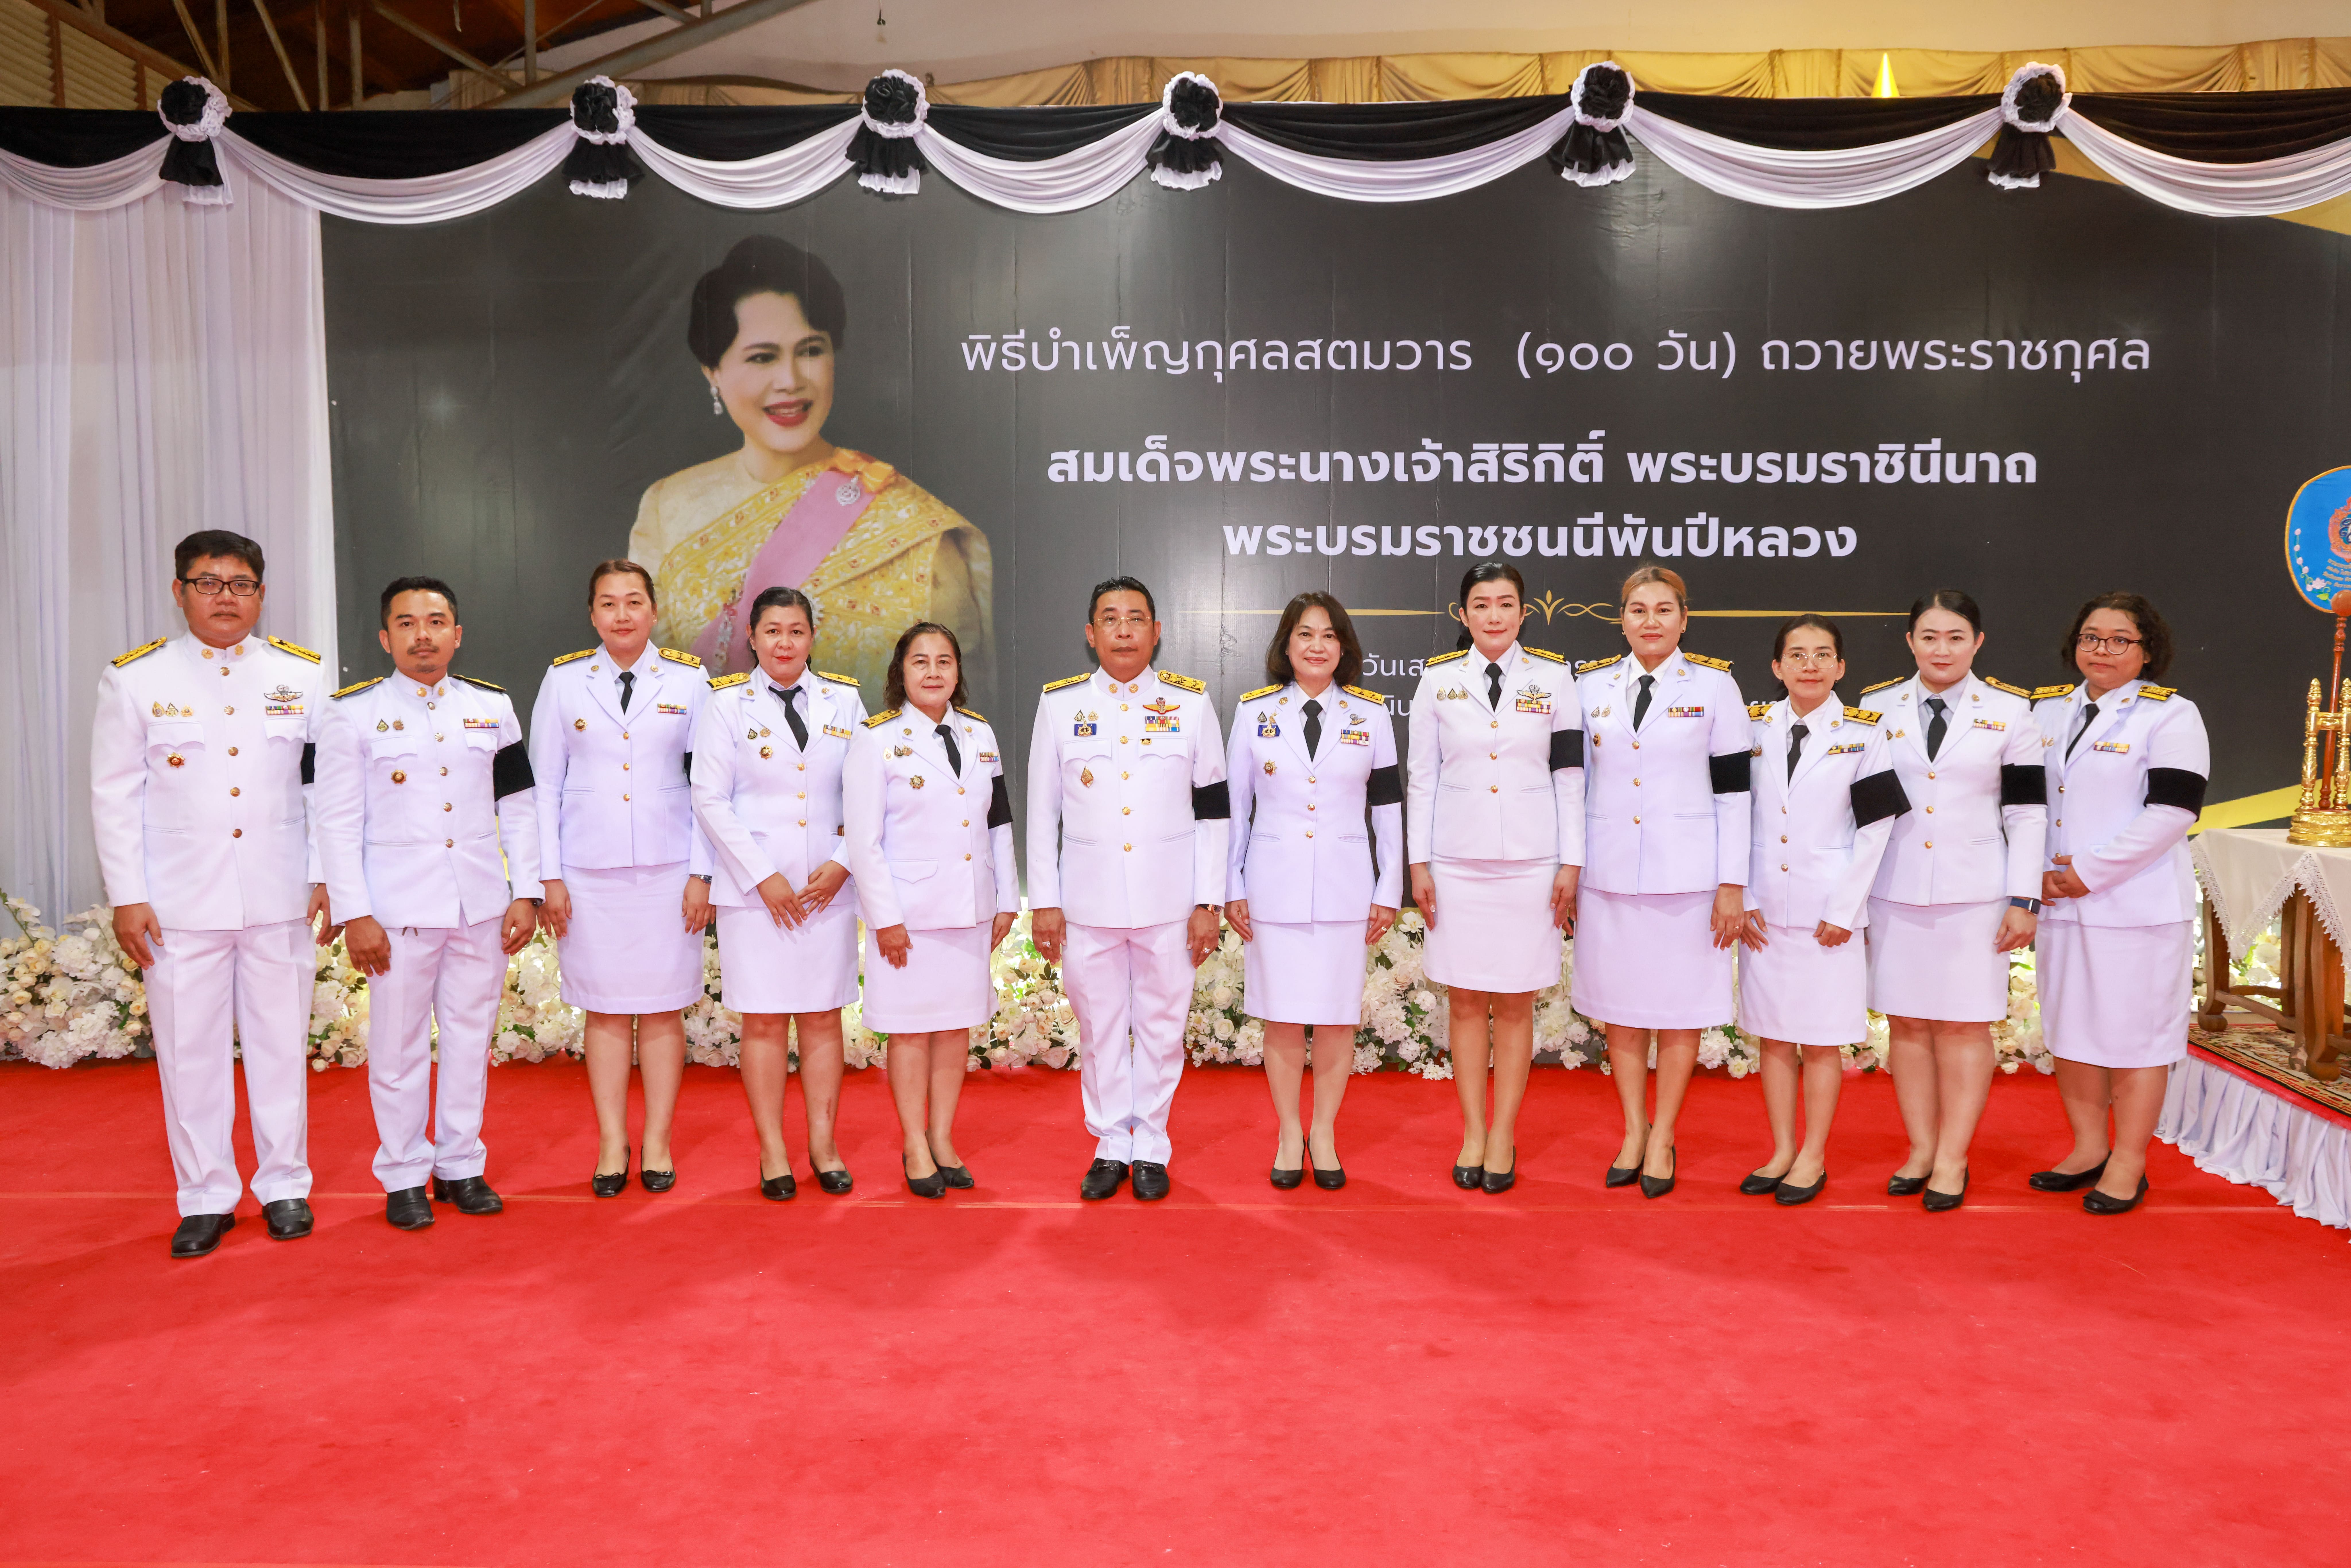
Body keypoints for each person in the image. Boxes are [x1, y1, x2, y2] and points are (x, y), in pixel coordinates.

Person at [90, 531, 332, 1258]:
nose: (226, 596)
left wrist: (325, 872)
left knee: (280, 1046)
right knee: (188, 1052)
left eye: (241, 583)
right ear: (180, 591)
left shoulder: (302, 673)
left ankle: (285, 1184)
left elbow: (327, 786)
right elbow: (113, 795)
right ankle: (205, 1195)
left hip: (279, 892)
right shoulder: (136, 679)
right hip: (178, 902)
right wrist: (128, 894)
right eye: (209, 582)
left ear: (261, 592)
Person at [629, 235, 991, 703]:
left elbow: (962, 701)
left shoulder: (911, 524)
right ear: (712, 373)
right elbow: (651, 682)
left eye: (811, 350)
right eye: (763, 357)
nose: (790, 381)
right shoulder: (670, 506)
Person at [316, 577, 542, 1231]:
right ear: (385, 637)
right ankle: (405, 1174)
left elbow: (519, 809)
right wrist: (357, 912)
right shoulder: (352, 713)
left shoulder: (491, 707)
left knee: (471, 1041)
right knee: (398, 1045)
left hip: (479, 905)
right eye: (408, 623)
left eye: (437, 621)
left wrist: (524, 890)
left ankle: (461, 1165)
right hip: (397, 910)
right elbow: (335, 820)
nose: (424, 634)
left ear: (457, 634)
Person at [1027, 577, 1229, 1202]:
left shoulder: (1191, 705)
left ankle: (1152, 1146)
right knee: (1101, 1028)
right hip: (1087, 901)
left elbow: (1215, 811)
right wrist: (1046, 900)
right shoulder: (1060, 705)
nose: (1123, 630)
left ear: (1156, 631)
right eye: (1109, 619)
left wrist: (1207, 900)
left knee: (1164, 1026)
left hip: (1170, 901)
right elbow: (1042, 810)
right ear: (1090, 634)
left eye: (1135, 619)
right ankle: (1111, 1142)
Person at [528, 561, 713, 1197]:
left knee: (663, 1011)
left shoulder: (690, 679)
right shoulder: (564, 679)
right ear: (592, 614)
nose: (623, 615)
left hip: (669, 871)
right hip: (588, 871)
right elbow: (543, 785)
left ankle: (658, 1138)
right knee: (604, 1012)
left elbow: (709, 786)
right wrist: (547, 876)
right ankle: (613, 1140)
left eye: (635, 602)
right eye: (608, 603)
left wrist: (702, 874)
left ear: (655, 612)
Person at [1858, 590, 2046, 1210]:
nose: (1942, 649)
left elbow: (2025, 812)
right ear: (1910, 641)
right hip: (1895, 887)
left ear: (1978, 642)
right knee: (1908, 1022)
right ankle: (1919, 1148)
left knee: (1965, 1024)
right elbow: (1861, 810)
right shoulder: (1873, 707)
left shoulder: (2012, 711)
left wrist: (2025, 898)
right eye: (1930, 636)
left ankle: (1953, 1156)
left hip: (1975, 893)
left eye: (1956, 637)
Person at [1572, 564, 1750, 1199]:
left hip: (1688, 878)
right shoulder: (1588, 687)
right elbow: (1575, 788)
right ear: (1621, 618)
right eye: (1638, 609)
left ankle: (1664, 1132)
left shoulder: (1717, 686)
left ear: (1683, 617)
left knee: (1678, 1015)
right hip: (1609, 873)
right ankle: (1632, 1129)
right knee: (1620, 1015)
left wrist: (1732, 882)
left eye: (1663, 610)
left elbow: (1735, 794)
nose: (1650, 621)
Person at [1406, 564, 1583, 1194]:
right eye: (1481, 604)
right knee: (1464, 999)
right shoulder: (1437, 680)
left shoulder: (1554, 676)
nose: (1494, 616)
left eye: (1506, 604)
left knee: (1514, 1002)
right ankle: (1473, 1130)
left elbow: (1570, 774)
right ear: (1463, 615)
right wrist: (1417, 862)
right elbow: (1421, 778)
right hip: (1455, 860)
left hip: (1532, 861)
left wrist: (1572, 860)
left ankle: (1504, 1132)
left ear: (1524, 612)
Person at [2031, 593, 2208, 1215]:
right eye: (2090, 637)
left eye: (2118, 640)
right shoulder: (2048, 711)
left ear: (2147, 650)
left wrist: (2088, 870)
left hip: (2134, 905)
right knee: (2071, 1027)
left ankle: (2129, 1161)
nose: (2100, 650)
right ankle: (2087, 1148)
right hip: (2059, 903)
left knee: (2134, 1037)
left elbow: (2174, 810)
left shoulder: (2170, 715)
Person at [688, 586, 865, 1200]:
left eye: (796, 631)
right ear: (753, 639)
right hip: (756, 893)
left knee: (821, 1017)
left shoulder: (845, 700)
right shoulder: (727, 704)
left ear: (811, 637)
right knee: (763, 1022)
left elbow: (870, 795)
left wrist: (845, 864)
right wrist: (761, 873)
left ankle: (824, 1145)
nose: (784, 642)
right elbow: (708, 797)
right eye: (772, 631)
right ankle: (772, 1151)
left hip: (825, 891)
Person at [1227, 593, 1404, 1191]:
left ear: (1344, 648)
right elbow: (1235, 810)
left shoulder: (1370, 716)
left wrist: (1390, 885)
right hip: (1271, 886)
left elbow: (1388, 808)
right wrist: (1230, 885)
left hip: (1344, 887)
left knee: (1334, 1017)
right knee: (1281, 1017)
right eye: (1305, 634)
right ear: (1286, 645)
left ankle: (1322, 1131)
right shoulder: (1253, 713)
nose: (1317, 645)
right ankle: (1286, 1132)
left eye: (1329, 635)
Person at [1735, 615, 1908, 1205]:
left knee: (1820, 1040)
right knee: (1774, 1037)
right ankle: (1782, 1148)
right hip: (1762, 911)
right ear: (1777, 666)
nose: (1810, 664)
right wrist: (1744, 895)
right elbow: (1733, 814)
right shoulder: (1752, 728)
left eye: (1823, 654)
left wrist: (1845, 906)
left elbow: (1877, 827)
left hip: (1826, 917)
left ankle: (1813, 1155)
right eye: (1797, 654)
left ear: (1840, 667)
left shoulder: (1866, 732)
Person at [842, 623, 1017, 1197]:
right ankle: (914, 1142)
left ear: (958, 671)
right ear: (901, 672)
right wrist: (885, 918)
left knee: (952, 1029)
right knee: (912, 1033)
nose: (934, 671)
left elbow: (998, 821)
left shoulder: (980, 733)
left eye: (945, 660)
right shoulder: (876, 739)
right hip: (910, 918)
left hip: (970, 906)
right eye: (921, 661)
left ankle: (942, 1136)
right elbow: (864, 842)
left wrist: (1006, 898)